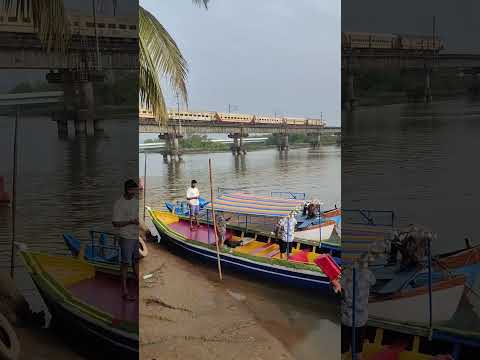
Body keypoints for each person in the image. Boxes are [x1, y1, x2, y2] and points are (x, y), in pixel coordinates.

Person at [340, 254, 376, 360]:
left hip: (346, 318)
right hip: (360, 320)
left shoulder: (346, 274)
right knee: (357, 351)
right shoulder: (369, 274)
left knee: (343, 349)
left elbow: (340, 290)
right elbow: (373, 282)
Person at [112, 179, 139, 301]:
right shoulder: (119, 204)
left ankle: (138, 284)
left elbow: (138, 218)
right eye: (133, 190)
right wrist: (130, 222)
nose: (135, 192)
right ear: (127, 190)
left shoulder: (135, 202)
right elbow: (115, 223)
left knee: (136, 261)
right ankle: (124, 290)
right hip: (125, 237)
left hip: (135, 236)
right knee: (125, 263)